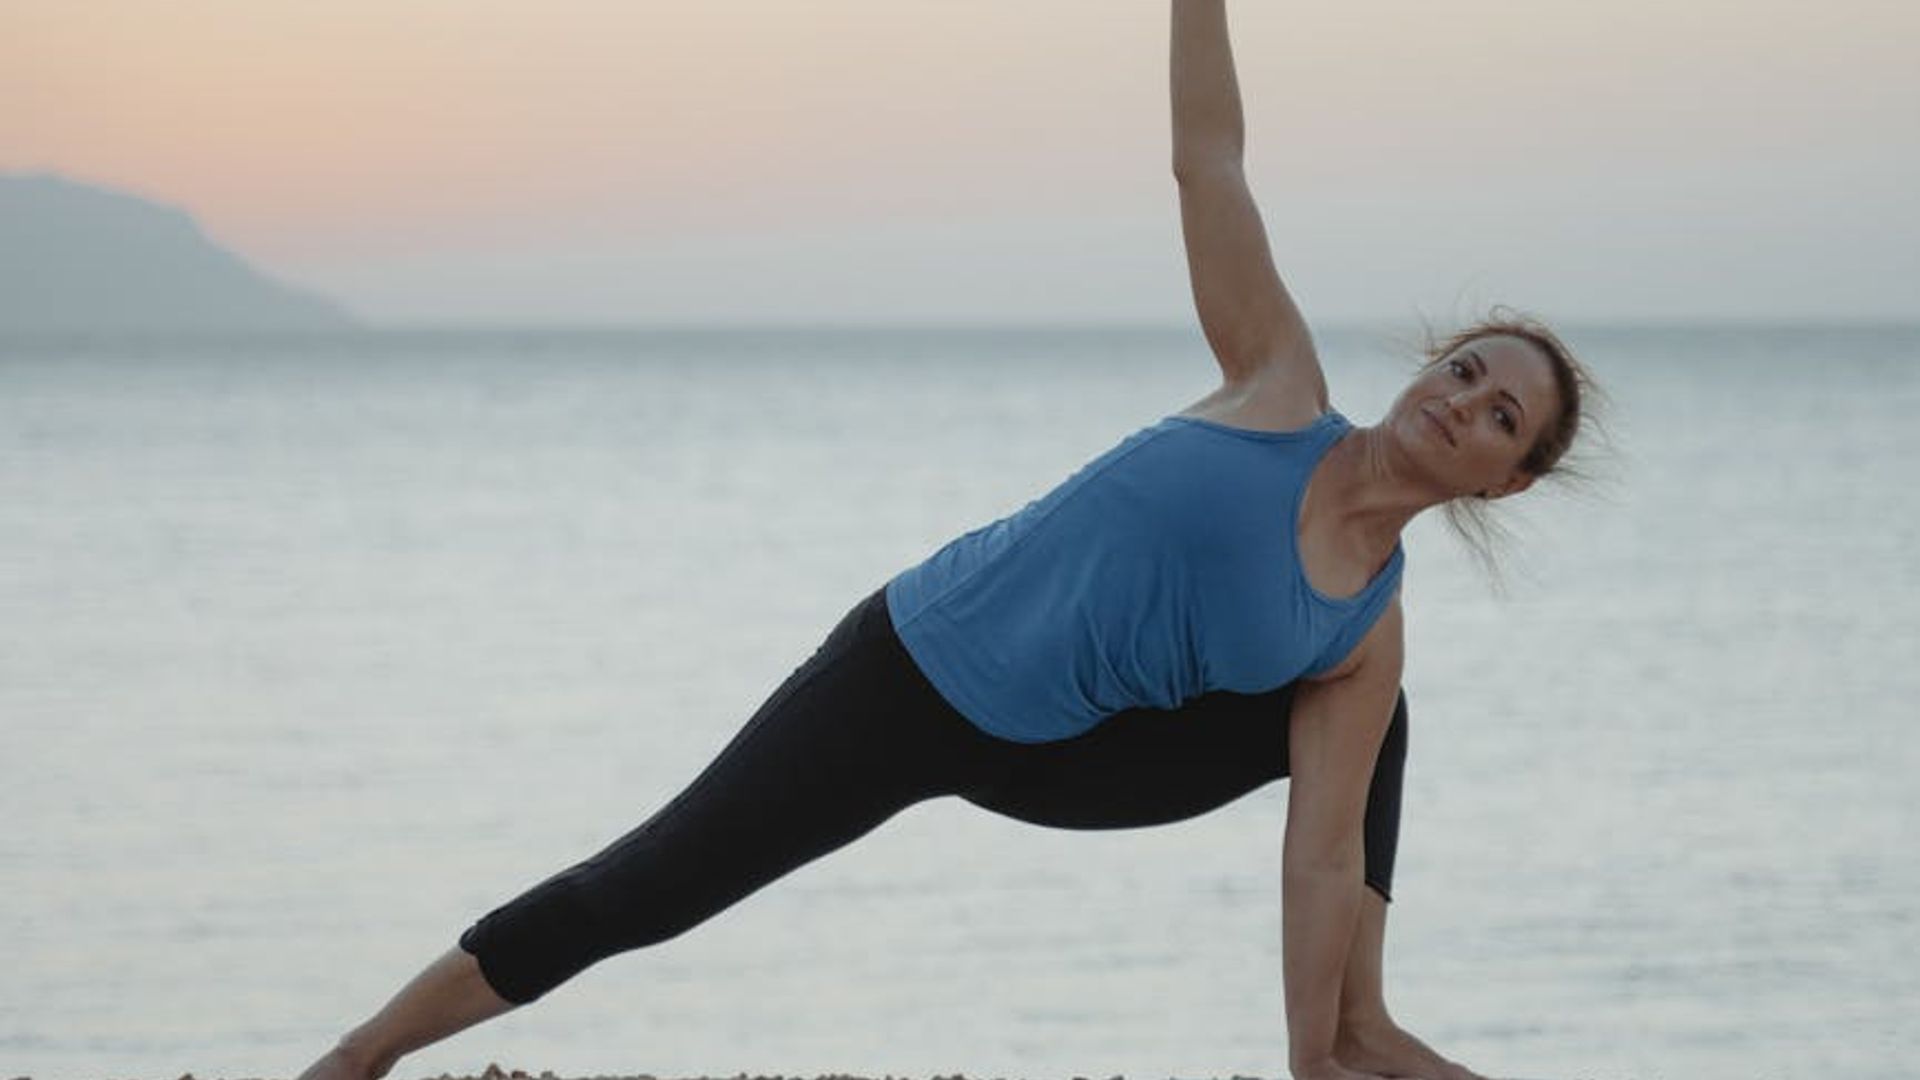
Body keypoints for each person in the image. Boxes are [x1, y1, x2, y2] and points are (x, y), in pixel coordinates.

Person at [296, 5, 1595, 1080]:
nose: (1461, 399)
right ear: (1432, 360)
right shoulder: (1277, 385)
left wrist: (1312, 1017)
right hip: (907, 675)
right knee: (645, 890)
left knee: (1381, 721)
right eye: (1468, 367)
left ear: (1508, 479)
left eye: (1499, 415)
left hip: (1065, 758)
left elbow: (1323, 848)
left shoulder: (1366, 631)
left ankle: (1342, 1043)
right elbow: (1212, 161)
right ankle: (354, 1061)